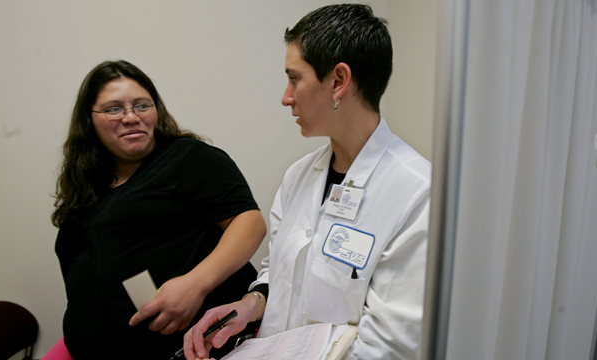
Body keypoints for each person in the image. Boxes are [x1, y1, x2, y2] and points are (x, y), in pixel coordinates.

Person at [184, 4, 431, 360]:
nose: (286, 97)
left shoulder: (416, 193)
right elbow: (278, 269)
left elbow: (389, 347)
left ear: (338, 82)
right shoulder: (299, 176)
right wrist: (252, 304)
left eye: (295, 78)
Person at [49, 60, 266, 359]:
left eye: (142, 105)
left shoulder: (186, 158)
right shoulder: (86, 190)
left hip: (197, 349)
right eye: (113, 108)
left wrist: (195, 285)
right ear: (89, 120)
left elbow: (249, 223)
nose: (130, 117)